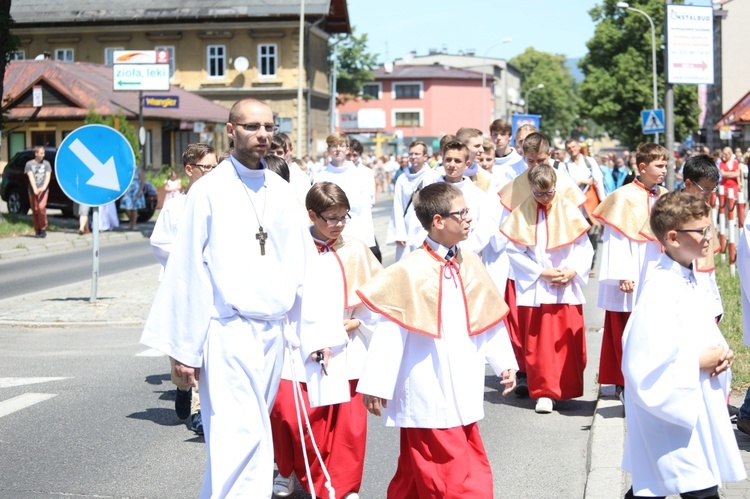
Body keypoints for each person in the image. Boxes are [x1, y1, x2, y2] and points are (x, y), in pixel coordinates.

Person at [140, 98, 341, 498]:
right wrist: (184, 350)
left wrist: (318, 335)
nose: (262, 134)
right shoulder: (209, 191)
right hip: (227, 331)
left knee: (247, 436)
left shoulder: (284, 192)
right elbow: (187, 271)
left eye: (268, 127)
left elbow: (304, 268)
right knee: (241, 435)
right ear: (231, 131)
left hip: (273, 335)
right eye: (252, 127)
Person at [357, 182, 518, 498]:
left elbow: (486, 316)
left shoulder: (470, 261)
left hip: (463, 381)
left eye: (468, 212)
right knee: (452, 475)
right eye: (462, 213)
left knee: (416, 477)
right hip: (426, 385)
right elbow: (390, 332)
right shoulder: (410, 270)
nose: (469, 219)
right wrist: (376, 383)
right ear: (438, 222)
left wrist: (504, 362)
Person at [621, 191, 746, 498]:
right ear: (674, 238)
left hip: (692, 403)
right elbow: (641, 366)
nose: (709, 237)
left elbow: (694, 331)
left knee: (653, 489)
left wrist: (720, 354)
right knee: (698, 490)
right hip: (671, 414)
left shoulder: (688, 276)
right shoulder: (659, 288)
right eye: (702, 231)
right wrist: (697, 362)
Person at [271, 182, 382, 499]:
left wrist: (357, 320)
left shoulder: (355, 248)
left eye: (343, 217)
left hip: (344, 345)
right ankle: (287, 468)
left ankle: (344, 486)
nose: (337, 225)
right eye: (330, 218)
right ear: (311, 215)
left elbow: (376, 299)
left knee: (345, 424)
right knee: (287, 415)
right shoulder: (292, 247)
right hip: (297, 344)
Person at [502, 164, 593, 414]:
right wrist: (540, 272)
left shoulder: (568, 210)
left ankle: (565, 388)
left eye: (549, 193)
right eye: (538, 194)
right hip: (537, 286)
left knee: (566, 340)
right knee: (538, 342)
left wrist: (572, 270)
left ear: (556, 187)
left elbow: (585, 248)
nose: (544, 198)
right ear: (530, 189)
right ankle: (543, 392)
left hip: (566, 285)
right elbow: (513, 251)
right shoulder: (522, 213)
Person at [150, 143, 218, 435]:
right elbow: (160, 243)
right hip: (182, 285)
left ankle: (200, 410)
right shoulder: (176, 206)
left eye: (217, 167)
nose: (214, 173)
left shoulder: (222, 201)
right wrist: (189, 256)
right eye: (207, 167)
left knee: (208, 346)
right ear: (190, 170)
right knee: (183, 346)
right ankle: (182, 387)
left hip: (213, 286)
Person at [592, 142, 668, 402]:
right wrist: (624, 273)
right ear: (643, 167)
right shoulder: (623, 196)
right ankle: (624, 383)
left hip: (656, 267)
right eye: (659, 165)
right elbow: (616, 238)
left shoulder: (665, 194)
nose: (664, 170)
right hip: (632, 269)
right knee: (625, 326)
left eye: (666, 165)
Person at [314, 133, 379, 261]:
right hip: (330, 237)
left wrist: (366, 241)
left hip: (357, 235)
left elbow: (365, 211)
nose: (338, 149)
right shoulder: (320, 177)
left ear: (347, 149)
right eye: (333, 146)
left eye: (341, 146)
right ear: (328, 150)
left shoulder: (363, 174)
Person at [681, 154, 722, 321]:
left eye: (712, 189)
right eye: (705, 189)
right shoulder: (671, 207)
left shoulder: (705, 207)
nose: (709, 194)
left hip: (704, 270)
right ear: (689, 183)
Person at [385, 140, 439, 261]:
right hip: (406, 230)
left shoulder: (433, 176)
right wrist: (399, 233)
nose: (413, 157)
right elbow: (397, 206)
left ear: (425, 157)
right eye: (411, 154)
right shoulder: (402, 178)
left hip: (426, 230)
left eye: (417, 154)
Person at [565, 138, 607, 277]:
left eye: (574, 146)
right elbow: (566, 186)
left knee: (593, 236)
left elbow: (599, 181)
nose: (572, 149)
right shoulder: (566, 166)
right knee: (577, 238)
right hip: (576, 207)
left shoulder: (589, 162)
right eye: (569, 147)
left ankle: (590, 266)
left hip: (591, 203)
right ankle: (578, 265)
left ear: (578, 147)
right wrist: (581, 182)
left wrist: (602, 202)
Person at [24, 145, 51, 238]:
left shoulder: (46, 164)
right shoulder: (29, 164)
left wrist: (43, 188)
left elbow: (48, 176)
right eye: (41, 153)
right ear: (36, 153)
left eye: (44, 153)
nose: (43, 155)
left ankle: (43, 229)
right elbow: (30, 176)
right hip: (32, 190)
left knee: (41, 208)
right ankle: (37, 230)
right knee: (35, 210)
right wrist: (35, 189)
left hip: (43, 190)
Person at [120, 165, 145, 231]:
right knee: (126, 207)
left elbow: (142, 181)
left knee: (134, 208)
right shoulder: (126, 169)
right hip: (127, 191)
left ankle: (133, 225)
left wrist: (140, 191)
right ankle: (132, 221)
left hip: (136, 190)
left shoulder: (137, 169)